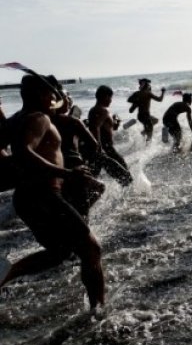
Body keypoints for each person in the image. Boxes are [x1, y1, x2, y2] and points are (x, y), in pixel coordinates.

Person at [0, 75, 105, 310]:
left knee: (60, 252)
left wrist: (11, 168)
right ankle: (98, 312)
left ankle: (8, 275)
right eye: (51, 94)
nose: (54, 99)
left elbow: (12, 150)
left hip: (27, 198)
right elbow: (26, 152)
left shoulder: (15, 120)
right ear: (39, 95)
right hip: (44, 196)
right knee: (91, 249)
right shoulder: (39, 118)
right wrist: (68, 173)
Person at [51, 86, 105, 218]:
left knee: (65, 199)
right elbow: (94, 145)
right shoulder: (73, 121)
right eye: (66, 97)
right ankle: (78, 218)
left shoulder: (47, 121)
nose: (69, 99)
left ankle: (71, 217)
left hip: (57, 169)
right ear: (59, 102)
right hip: (75, 167)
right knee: (99, 188)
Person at [88, 85, 133, 186]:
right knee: (126, 177)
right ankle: (128, 199)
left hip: (101, 150)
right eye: (110, 97)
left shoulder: (94, 110)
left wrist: (115, 122)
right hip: (106, 149)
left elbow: (108, 128)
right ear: (105, 97)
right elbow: (96, 128)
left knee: (93, 176)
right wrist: (99, 148)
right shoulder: (103, 110)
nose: (111, 100)